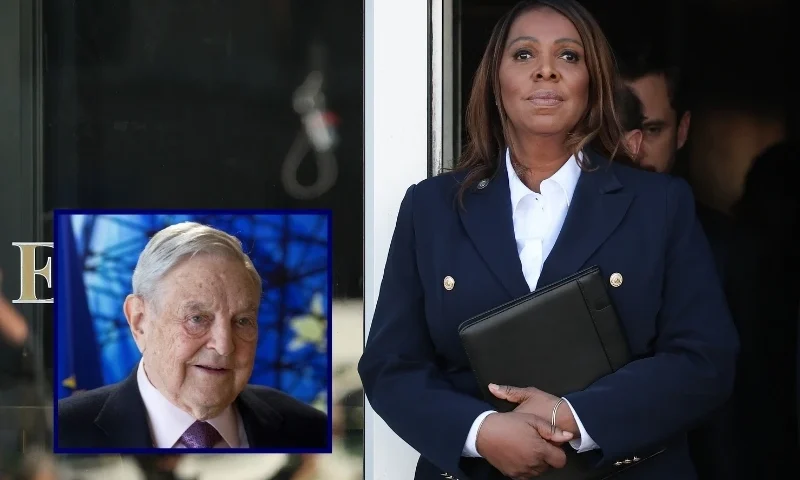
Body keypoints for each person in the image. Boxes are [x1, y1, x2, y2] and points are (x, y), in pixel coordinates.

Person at [357, 1, 739, 479]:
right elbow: (391, 366)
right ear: (495, 83)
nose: (545, 72)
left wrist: (572, 419)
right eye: (523, 55)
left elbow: (703, 359)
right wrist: (481, 432)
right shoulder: (432, 208)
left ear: (593, 82)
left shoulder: (660, 205)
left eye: (568, 56)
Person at [57, 222, 327, 450]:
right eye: (197, 319)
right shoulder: (62, 431)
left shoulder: (310, 430)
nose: (224, 346)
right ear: (139, 322)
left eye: (242, 321)